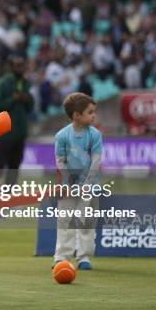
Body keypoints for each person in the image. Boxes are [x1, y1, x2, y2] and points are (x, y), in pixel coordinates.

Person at [54, 92, 102, 270]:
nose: (93, 115)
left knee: (86, 222)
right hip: (67, 187)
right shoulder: (62, 136)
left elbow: (96, 161)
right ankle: (61, 257)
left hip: (89, 186)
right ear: (76, 115)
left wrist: (86, 186)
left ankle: (84, 257)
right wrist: (68, 184)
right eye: (90, 112)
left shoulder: (95, 135)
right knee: (65, 221)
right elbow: (60, 161)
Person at [0, 55, 34, 185]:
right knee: (0, 166)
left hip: (19, 132)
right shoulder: (3, 83)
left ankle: (8, 198)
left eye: (22, 65)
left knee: (14, 167)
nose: (21, 68)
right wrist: (12, 99)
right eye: (18, 65)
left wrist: (27, 99)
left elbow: (30, 108)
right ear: (11, 67)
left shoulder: (25, 83)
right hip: (4, 133)